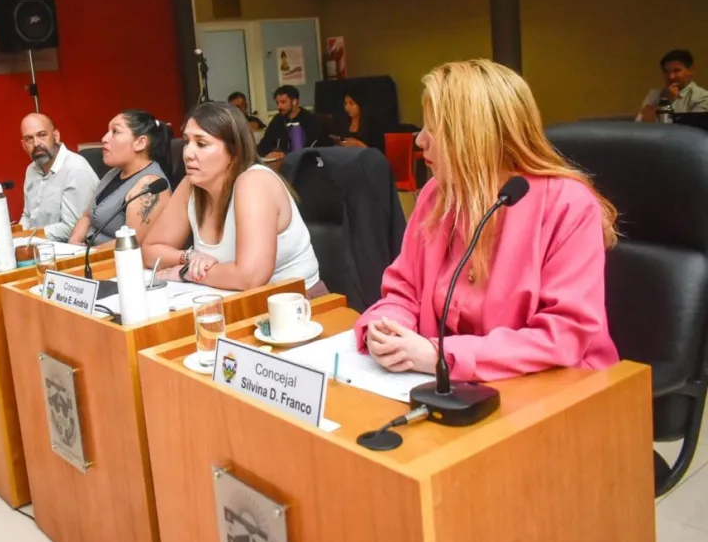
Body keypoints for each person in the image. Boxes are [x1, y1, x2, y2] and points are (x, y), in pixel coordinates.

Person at [354, 59, 620, 382]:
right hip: (451, 384)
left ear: (476, 135)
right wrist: (386, 327)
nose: (420, 140)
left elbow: (563, 334)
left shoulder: (569, 205)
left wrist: (440, 356)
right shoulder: (437, 193)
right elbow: (404, 289)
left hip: (557, 387)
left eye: (434, 128)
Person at [142, 102, 325, 297]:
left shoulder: (254, 182)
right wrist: (190, 257)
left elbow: (250, 277)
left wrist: (186, 272)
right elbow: (150, 251)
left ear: (234, 151)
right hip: (232, 300)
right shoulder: (191, 185)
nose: (187, 153)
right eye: (187, 142)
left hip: (298, 304)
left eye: (201, 144)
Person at [68, 110, 173, 246]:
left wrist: (87, 254)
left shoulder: (150, 186)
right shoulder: (113, 173)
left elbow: (130, 244)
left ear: (140, 143)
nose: (104, 138)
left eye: (115, 132)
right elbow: (87, 216)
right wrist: (74, 242)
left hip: (110, 256)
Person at [19, 113, 99, 241]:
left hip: (70, 248)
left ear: (56, 136)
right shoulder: (31, 170)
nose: (36, 143)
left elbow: (72, 228)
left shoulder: (76, 169)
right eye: (29, 139)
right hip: (38, 244)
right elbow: (28, 216)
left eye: (42, 135)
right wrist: (15, 238)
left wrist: (27, 237)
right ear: (23, 145)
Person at [257, 85, 331, 160]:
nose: (279, 107)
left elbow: (312, 148)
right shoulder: (278, 119)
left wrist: (285, 154)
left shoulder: (309, 120)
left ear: (294, 102)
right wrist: (271, 152)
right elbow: (262, 146)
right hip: (280, 162)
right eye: (277, 103)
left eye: (283, 102)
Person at [637, 49, 708, 122]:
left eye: (677, 70)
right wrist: (665, 99)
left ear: (691, 70)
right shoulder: (654, 95)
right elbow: (641, 123)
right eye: (666, 71)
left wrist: (664, 103)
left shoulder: (702, 97)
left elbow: (693, 127)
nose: (671, 76)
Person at [333, 87, 393, 152]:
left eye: (351, 103)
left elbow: (378, 154)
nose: (347, 107)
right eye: (345, 103)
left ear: (361, 104)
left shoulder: (373, 125)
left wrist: (357, 144)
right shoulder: (342, 123)